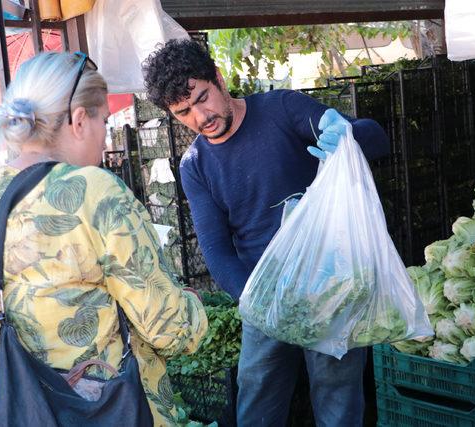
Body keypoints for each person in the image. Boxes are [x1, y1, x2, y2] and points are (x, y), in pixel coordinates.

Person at [0, 51, 208, 427]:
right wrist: (191, 308)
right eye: (104, 119)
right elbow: (169, 329)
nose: (105, 137)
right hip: (105, 410)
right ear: (79, 120)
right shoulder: (94, 192)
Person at [142, 39, 391, 426]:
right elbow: (217, 251)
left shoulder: (280, 109)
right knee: (258, 397)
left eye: (203, 97)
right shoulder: (196, 166)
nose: (200, 116)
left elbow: (376, 138)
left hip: (329, 282)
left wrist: (347, 135)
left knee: (337, 396)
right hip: (263, 293)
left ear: (219, 79)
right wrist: (259, 304)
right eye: (184, 112)